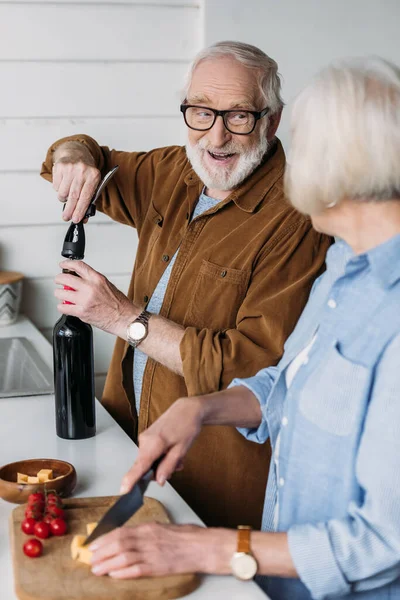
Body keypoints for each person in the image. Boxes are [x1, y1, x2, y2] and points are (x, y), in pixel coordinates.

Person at [87, 57, 400, 600]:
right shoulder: (345, 269)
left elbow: (383, 540)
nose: (285, 165)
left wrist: (202, 548)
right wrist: (200, 408)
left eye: (300, 147)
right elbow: (287, 385)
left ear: (342, 165)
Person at [40, 41, 330, 529]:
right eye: (200, 112)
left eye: (238, 116)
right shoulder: (173, 171)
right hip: (126, 445)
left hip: (205, 484)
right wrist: (75, 154)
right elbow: (75, 156)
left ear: (271, 120)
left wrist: (122, 318)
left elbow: (251, 369)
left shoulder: (298, 218)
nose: (215, 136)